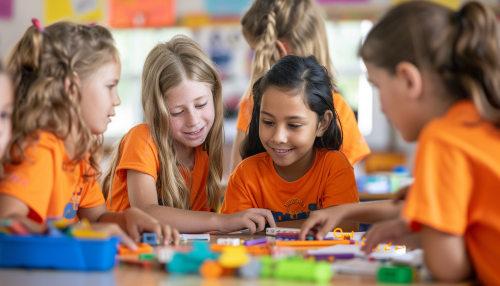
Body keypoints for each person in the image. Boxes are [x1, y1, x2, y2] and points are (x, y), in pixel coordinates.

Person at [300, 2, 500, 283]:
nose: (380, 106)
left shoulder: (443, 139)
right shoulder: (483, 123)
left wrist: (422, 237)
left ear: (408, 80)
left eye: (378, 86)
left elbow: (449, 269)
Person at [0, 21, 180, 249]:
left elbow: (95, 218)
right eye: (110, 86)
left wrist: (125, 218)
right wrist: (77, 233)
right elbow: (6, 224)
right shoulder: (38, 149)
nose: (117, 99)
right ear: (71, 88)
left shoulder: (78, 155)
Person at [102, 35, 276, 234]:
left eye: (201, 104)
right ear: (157, 112)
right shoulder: (142, 139)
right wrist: (221, 221)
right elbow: (146, 213)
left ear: (214, 96)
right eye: (177, 112)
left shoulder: (205, 150)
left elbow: (199, 229)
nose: (193, 121)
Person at [230, 0, 370, 172]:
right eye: (268, 122)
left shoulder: (253, 106)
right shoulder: (338, 107)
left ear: (280, 50)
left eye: (256, 52)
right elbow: (236, 181)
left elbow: (342, 184)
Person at [222, 55, 359, 231]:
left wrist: (267, 228)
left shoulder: (335, 167)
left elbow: (344, 228)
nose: (278, 137)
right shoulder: (245, 175)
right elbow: (233, 234)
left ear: (322, 123)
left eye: (293, 125)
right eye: (268, 122)